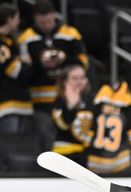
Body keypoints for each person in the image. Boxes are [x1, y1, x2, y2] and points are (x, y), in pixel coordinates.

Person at [18, 0, 88, 150]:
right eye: (42, 22)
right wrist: (40, 63)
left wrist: (64, 59)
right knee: (46, 136)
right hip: (40, 101)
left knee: (73, 133)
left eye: (49, 21)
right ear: (35, 19)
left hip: (69, 97)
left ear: (54, 16)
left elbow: (83, 63)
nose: (46, 25)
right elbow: (23, 73)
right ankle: (49, 171)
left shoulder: (70, 33)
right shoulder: (26, 38)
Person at [87, 81, 131, 175]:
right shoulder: (126, 110)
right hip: (121, 163)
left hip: (95, 162)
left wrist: (86, 145)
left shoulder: (95, 108)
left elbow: (88, 134)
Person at [0, 3, 32, 134]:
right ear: (9, 19)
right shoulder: (1, 44)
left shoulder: (11, 41)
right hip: (7, 106)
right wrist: (25, 62)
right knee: (8, 149)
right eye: (17, 18)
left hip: (19, 103)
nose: (19, 22)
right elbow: (14, 71)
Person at [51, 64, 92, 164]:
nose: (79, 82)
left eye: (82, 78)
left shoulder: (91, 99)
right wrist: (70, 105)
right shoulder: (59, 101)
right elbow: (62, 125)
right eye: (74, 78)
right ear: (65, 81)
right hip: (64, 152)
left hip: (87, 153)